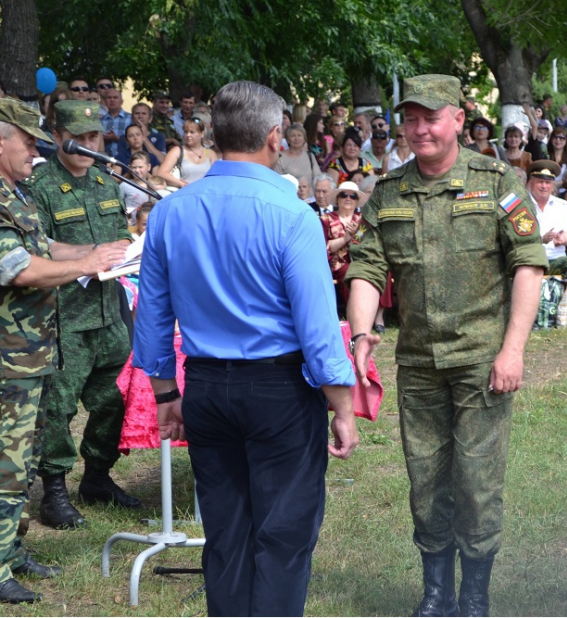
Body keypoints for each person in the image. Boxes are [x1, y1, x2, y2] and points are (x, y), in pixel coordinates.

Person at [132, 80, 358, 617]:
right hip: (277, 389)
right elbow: (318, 327)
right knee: (282, 538)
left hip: (207, 385)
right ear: (276, 136)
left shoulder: (170, 212)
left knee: (226, 536)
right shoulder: (292, 214)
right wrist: (342, 404)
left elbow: (153, 315)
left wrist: (166, 393)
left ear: (214, 135)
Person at [345, 74, 547, 617]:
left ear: (459, 119)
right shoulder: (388, 193)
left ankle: (474, 596)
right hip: (418, 363)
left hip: (482, 361)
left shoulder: (499, 181)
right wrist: (361, 333)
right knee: (426, 480)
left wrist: (514, 350)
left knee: (477, 481)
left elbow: (528, 263)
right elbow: (366, 268)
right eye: (409, 118)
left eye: (430, 117)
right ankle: (437, 593)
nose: (419, 129)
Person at [0, 99, 126, 604]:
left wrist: (106, 254)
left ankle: (12, 550)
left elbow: (47, 248)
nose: (38, 150)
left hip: (30, 353)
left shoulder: (18, 195)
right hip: (8, 358)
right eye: (28, 141)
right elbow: (18, 268)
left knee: (21, 462)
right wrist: (87, 262)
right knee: (5, 468)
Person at [20, 100, 140, 530]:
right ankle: (53, 490)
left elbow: (119, 235)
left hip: (109, 312)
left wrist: (128, 250)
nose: (90, 146)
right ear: (57, 136)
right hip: (64, 316)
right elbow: (35, 252)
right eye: (81, 138)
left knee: (114, 399)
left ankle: (97, 477)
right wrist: (88, 256)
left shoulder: (105, 181)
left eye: (96, 138)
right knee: (60, 406)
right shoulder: (38, 186)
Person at [526, 160, 567, 319]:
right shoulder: (522, 205)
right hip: (530, 259)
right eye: (540, 182)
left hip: (554, 259)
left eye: (547, 182)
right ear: (530, 183)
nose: (544, 186)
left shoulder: (561, 206)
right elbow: (517, 237)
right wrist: (540, 239)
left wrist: (564, 238)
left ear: (553, 185)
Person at [157, 118, 218, 189]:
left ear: (202, 134)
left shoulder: (211, 153)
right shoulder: (177, 151)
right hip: (184, 193)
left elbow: (217, 177)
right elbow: (161, 173)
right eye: (186, 132)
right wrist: (179, 183)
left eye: (192, 132)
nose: (188, 135)